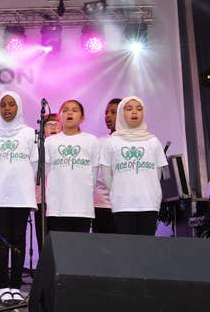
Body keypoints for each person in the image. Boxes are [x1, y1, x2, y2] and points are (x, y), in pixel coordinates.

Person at [0, 91, 37, 307]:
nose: (7, 108)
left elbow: (33, 165)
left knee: (18, 240)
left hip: (21, 195)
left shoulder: (29, 133)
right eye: (3, 104)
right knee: (1, 242)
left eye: (11, 104)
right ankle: (2, 286)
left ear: (19, 108)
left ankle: (15, 286)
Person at [100, 96, 168, 235]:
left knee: (146, 247)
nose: (134, 112)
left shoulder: (153, 141)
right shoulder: (112, 142)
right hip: (123, 204)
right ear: (121, 113)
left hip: (149, 203)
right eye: (129, 109)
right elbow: (106, 175)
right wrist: (118, 191)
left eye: (139, 109)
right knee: (126, 248)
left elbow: (157, 173)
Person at [45, 100, 99, 233]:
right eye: (65, 110)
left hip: (82, 207)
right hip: (57, 207)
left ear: (82, 118)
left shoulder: (91, 141)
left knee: (79, 249)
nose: (69, 112)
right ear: (60, 117)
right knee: (59, 249)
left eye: (74, 110)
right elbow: (46, 171)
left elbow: (94, 172)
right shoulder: (50, 141)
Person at [93, 98, 121, 233]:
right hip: (101, 205)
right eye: (106, 112)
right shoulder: (99, 142)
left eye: (113, 112)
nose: (108, 116)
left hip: (124, 206)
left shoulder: (133, 142)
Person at [35, 112, 61, 251]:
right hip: (41, 200)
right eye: (49, 125)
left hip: (61, 200)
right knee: (44, 240)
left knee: (60, 240)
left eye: (56, 124)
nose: (53, 128)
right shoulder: (37, 147)